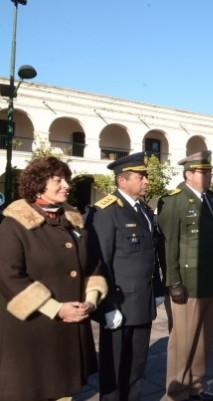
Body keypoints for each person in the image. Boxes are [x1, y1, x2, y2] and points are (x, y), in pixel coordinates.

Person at [0, 156, 108, 401]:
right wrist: (56, 309)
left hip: (70, 328)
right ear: (38, 184)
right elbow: (8, 276)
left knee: (64, 392)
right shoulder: (13, 225)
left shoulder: (73, 222)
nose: (66, 185)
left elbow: (93, 266)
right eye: (58, 180)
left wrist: (91, 300)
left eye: (67, 179)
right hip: (32, 333)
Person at [89, 152, 165, 401]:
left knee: (136, 366)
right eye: (141, 177)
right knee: (114, 370)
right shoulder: (106, 212)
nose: (146, 181)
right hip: (119, 305)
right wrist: (107, 306)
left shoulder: (143, 210)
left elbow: (150, 254)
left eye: (145, 177)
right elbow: (99, 263)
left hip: (142, 301)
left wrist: (157, 290)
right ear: (122, 181)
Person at [157, 150, 213, 401]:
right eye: (204, 172)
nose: (209, 176)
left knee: (204, 340)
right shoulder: (173, 201)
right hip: (187, 285)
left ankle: (196, 387)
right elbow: (168, 245)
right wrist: (173, 281)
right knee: (183, 342)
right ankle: (177, 392)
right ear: (188, 174)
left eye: (209, 172)